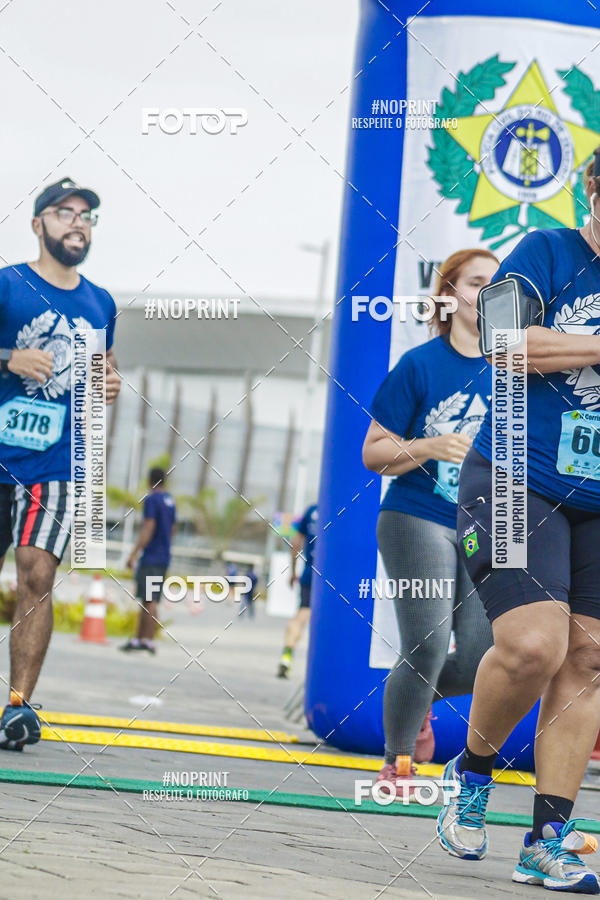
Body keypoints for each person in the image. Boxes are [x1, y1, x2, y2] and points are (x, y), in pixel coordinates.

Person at [436, 152, 600, 893]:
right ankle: (472, 771)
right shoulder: (547, 250)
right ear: (593, 190)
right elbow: (502, 342)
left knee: (588, 662)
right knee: (534, 646)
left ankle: (546, 839)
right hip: (511, 479)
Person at [362, 249, 497, 797]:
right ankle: (396, 765)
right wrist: (431, 445)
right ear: (448, 294)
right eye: (476, 282)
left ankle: (417, 699)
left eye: (497, 284)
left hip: (491, 523)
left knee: (493, 650)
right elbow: (373, 453)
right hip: (417, 514)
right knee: (428, 641)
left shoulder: (517, 369)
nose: (487, 293)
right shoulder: (420, 364)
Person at [0, 177, 120, 749]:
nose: (78, 222)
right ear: (37, 224)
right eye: (65, 212)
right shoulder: (7, 286)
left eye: (87, 216)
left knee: (37, 574)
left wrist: (109, 383)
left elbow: (101, 372)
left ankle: (18, 709)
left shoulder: (101, 304)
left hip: (55, 462)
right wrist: (9, 357)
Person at [121, 467, 176, 655]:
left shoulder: (152, 500)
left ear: (149, 481)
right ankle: (140, 639)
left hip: (152, 557)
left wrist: (134, 553)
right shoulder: (170, 501)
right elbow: (172, 529)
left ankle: (147, 640)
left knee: (149, 599)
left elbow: (149, 526)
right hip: (163, 557)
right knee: (148, 598)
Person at [277, 503, 317, 678]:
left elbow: (295, 544)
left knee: (302, 614)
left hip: (310, 573)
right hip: (335, 577)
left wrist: (293, 572)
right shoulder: (346, 508)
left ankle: (287, 656)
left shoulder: (311, 511)